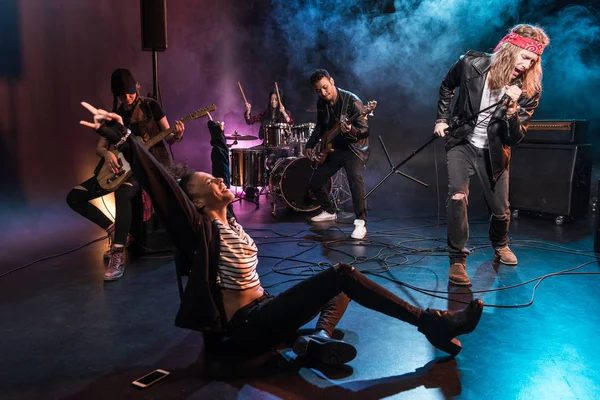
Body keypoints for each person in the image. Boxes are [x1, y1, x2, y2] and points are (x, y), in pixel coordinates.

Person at [79, 102, 484, 365]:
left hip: (267, 311)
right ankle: (431, 322)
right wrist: (125, 139)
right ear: (196, 203)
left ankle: (314, 342)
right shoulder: (197, 229)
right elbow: (165, 189)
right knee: (342, 275)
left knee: (340, 284)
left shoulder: (229, 220)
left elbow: (221, 163)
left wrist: (218, 135)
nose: (221, 183)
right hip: (246, 329)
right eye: (210, 183)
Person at [433, 24, 550, 286]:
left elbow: (515, 138)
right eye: (525, 57)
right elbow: (446, 86)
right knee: (457, 196)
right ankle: (457, 260)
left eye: (533, 62)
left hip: (495, 151)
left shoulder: (529, 90)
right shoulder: (470, 63)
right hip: (462, 141)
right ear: (510, 48)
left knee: (500, 210)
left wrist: (511, 111)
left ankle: (500, 243)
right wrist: (442, 119)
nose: (527, 65)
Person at [66, 69, 184, 281]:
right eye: (122, 96)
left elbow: (171, 138)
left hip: (147, 168)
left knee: (123, 194)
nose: (127, 98)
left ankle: (118, 253)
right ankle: (115, 231)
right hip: (122, 168)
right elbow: (100, 147)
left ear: (136, 88)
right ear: (116, 96)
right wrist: (108, 153)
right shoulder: (115, 115)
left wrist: (178, 134)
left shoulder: (151, 106)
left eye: (130, 93)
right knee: (74, 197)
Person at [305, 69, 370, 239]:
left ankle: (361, 223)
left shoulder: (352, 101)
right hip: (334, 148)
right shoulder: (321, 103)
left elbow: (364, 131)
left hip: (353, 148)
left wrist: (351, 130)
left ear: (332, 81)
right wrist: (310, 145)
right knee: (315, 181)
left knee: (355, 180)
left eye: (325, 87)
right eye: (318, 90)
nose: (323, 93)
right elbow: (320, 127)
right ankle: (329, 210)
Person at [243, 89, 294, 198]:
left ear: (280, 101)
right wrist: (248, 111)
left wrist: (284, 112)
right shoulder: (265, 113)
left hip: (279, 146)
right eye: (271, 99)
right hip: (266, 144)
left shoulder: (284, 113)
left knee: (270, 163)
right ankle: (252, 185)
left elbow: (291, 124)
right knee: (250, 153)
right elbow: (250, 121)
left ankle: (278, 185)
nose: (273, 102)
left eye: (275, 99)